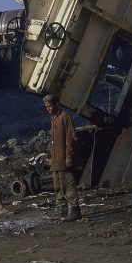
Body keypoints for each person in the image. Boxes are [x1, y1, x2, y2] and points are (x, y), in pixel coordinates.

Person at [43, 94, 82, 222]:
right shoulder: (53, 118)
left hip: (64, 157)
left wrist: (69, 156)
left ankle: (74, 210)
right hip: (56, 158)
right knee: (58, 185)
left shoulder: (64, 116)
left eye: (49, 106)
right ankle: (62, 209)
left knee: (68, 183)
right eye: (46, 107)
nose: (48, 109)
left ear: (56, 104)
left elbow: (71, 138)